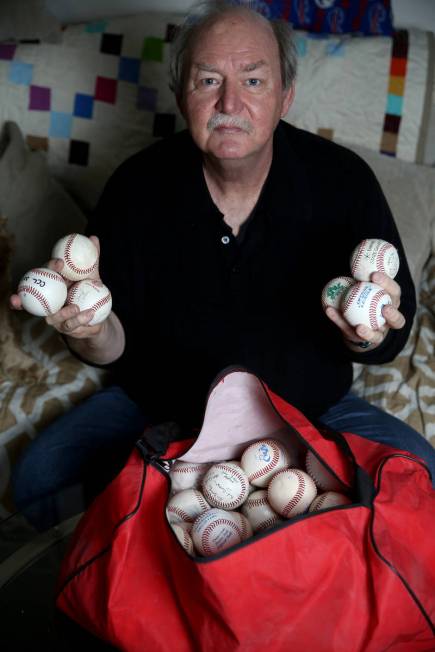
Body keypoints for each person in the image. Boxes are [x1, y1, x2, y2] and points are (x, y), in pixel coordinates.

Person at [10, 0, 435, 530]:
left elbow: (387, 335)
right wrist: (86, 330)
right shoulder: (136, 186)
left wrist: (365, 334)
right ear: (181, 94)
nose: (229, 102)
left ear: (286, 96)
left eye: (254, 81)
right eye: (208, 79)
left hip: (308, 410)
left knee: (424, 476)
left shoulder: (343, 181)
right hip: (161, 409)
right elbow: (109, 341)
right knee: (40, 480)